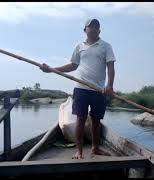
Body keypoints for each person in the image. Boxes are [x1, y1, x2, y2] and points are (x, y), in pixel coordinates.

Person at [40, 18, 116, 159]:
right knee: (80, 119)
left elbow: (110, 67)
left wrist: (109, 86)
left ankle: (95, 148)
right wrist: (51, 69)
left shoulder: (106, 46)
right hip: (81, 88)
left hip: (98, 90)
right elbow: (72, 66)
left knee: (96, 121)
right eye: (90, 27)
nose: (93, 29)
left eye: (96, 27)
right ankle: (79, 151)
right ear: (85, 30)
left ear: (99, 30)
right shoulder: (79, 46)